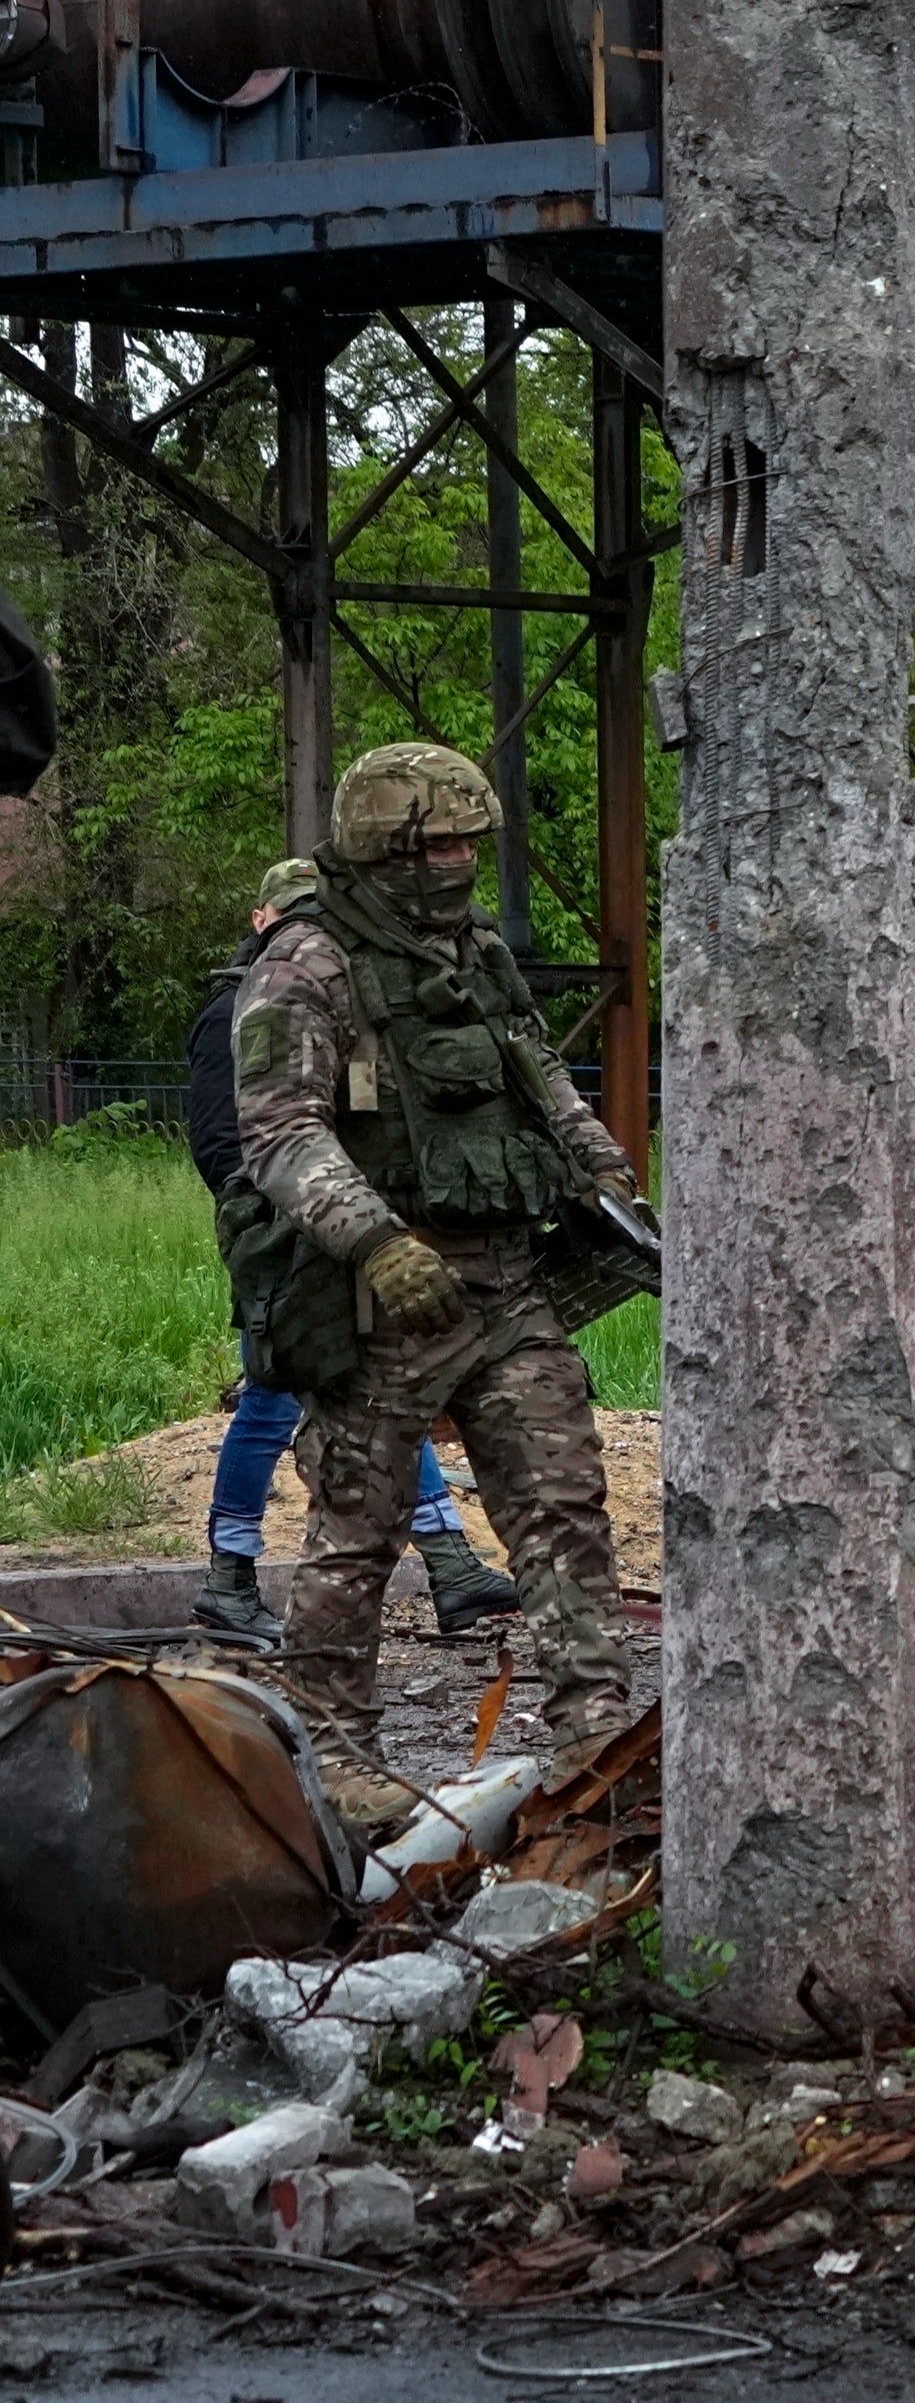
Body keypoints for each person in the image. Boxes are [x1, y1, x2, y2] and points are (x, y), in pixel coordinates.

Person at [229, 747, 637, 1794]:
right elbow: (279, 1135)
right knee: (354, 1537)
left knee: (564, 1512)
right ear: (385, 848)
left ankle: (596, 1737)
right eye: (439, 845)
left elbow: (539, 1077)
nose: (460, 863)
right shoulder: (307, 964)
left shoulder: (476, 953)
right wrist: (375, 1241)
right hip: (383, 1302)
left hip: (509, 1283)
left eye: (471, 843)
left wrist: (604, 1178)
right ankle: (337, 1759)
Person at [188, 856, 515, 1650]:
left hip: (344, 1231)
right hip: (283, 1241)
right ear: (264, 918)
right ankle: (230, 1581)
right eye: (295, 917)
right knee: (272, 1399)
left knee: (388, 1383)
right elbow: (224, 1140)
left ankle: (449, 1564)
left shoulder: (333, 998)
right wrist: (280, 1221)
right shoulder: (232, 1008)